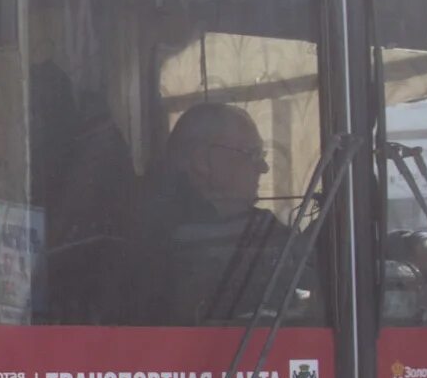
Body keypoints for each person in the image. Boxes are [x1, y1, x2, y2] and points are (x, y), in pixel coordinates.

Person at [128, 101, 301, 325]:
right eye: (252, 153)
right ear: (203, 161)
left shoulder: (139, 218)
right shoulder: (161, 235)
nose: (263, 168)